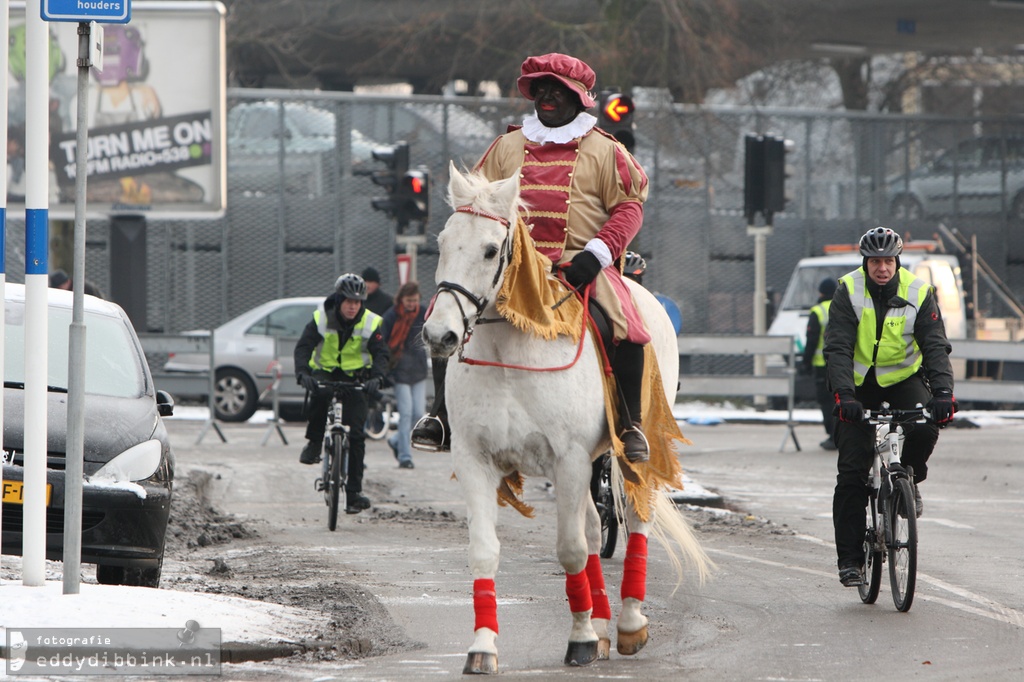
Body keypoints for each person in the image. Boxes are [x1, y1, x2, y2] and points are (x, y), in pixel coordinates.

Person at [413, 52, 652, 463]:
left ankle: (629, 423)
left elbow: (629, 207)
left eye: (556, 90)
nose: (546, 97)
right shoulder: (507, 146)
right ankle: (440, 414)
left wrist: (597, 254)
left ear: (577, 98)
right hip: (510, 267)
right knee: (445, 309)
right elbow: (475, 204)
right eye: (539, 89)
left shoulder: (605, 151)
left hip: (581, 265)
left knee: (624, 324)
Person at [824, 226, 956, 587]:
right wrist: (844, 398)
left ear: (897, 262)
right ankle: (850, 560)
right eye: (875, 262)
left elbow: (934, 346)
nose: (882, 268)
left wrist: (943, 393)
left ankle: (908, 478)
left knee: (927, 425)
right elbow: (837, 348)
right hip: (858, 384)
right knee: (852, 471)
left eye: (888, 261)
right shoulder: (847, 290)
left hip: (902, 379)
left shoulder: (919, 291)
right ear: (866, 263)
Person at [294, 273, 390, 515]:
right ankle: (314, 443)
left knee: (357, 436)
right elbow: (304, 346)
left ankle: (354, 493)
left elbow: (381, 354)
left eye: (357, 302)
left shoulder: (372, 322)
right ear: (338, 300)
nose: (353, 306)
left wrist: (377, 378)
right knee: (318, 395)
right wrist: (303, 373)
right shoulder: (321, 318)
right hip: (326, 373)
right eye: (348, 301)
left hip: (356, 378)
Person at [381, 281, 428, 470]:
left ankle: (395, 440)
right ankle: (405, 456)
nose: (411, 304)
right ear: (401, 299)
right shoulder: (391, 316)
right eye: (409, 300)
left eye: (415, 300)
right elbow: (382, 340)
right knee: (406, 414)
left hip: (418, 370)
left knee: (418, 415)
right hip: (399, 372)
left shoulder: (424, 313)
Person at [803, 277, 838, 451]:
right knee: (842, 399)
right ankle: (843, 435)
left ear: (821, 292)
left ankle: (832, 436)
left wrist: (806, 363)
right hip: (843, 364)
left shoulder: (817, 311)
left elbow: (811, 340)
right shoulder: (843, 307)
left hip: (822, 365)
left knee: (826, 401)